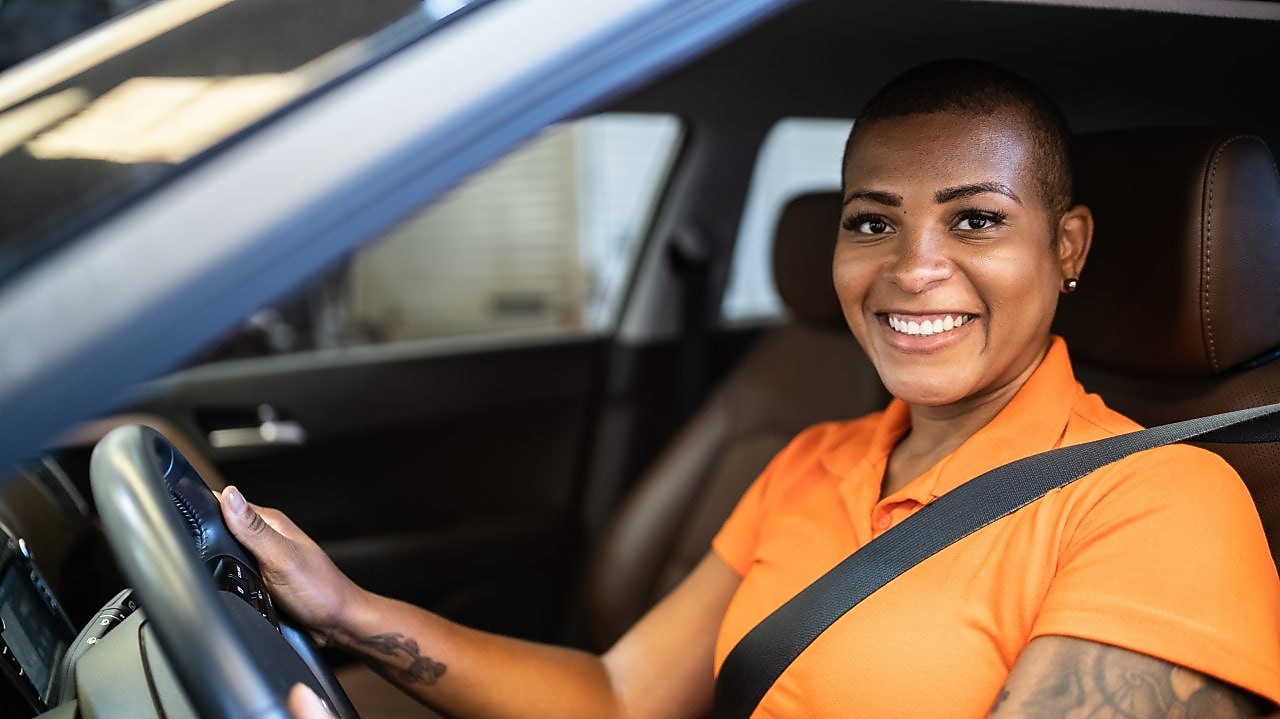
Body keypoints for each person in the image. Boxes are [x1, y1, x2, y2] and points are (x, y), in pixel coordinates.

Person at [221, 59, 1280, 718]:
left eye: (974, 219)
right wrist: (350, 612)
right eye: (872, 221)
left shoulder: (1155, 505)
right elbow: (623, 695)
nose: (911, 268)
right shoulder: (812, 458)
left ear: (1067, 246)